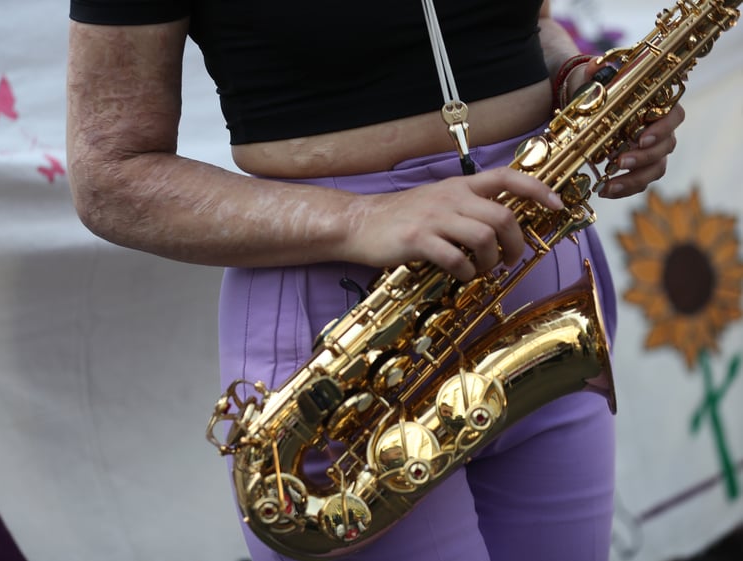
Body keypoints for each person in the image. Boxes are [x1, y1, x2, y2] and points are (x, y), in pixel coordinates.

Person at [65, 1, 685, 560]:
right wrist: (361, 218)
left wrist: (579, 81)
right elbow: (110, 177)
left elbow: (527, 23)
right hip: (349, 324)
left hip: (534, 270)